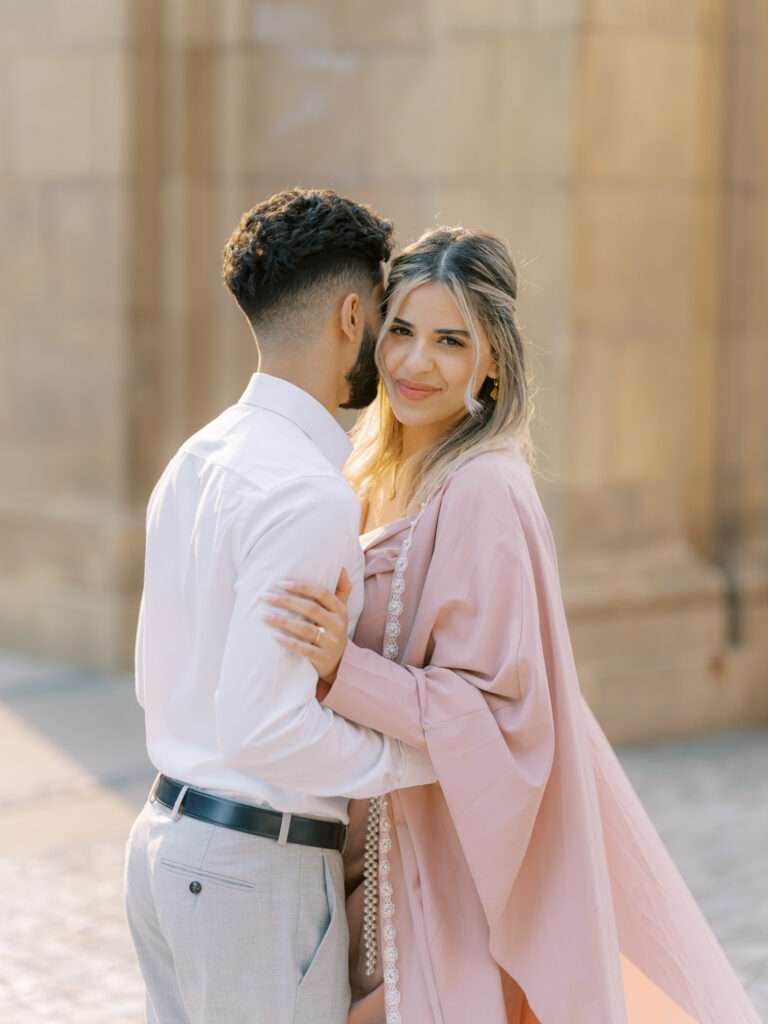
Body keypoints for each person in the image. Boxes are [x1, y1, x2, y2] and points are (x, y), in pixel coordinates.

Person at [263, 227, 761, 1023]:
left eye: (451, 341)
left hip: (451, 883)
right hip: (368, 856)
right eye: (402, 331)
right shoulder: (371, 475)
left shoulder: (485, 491)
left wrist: (342, 669)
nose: (415, 363)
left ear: (492, 360)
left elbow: (496, 715)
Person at [124, 188, 436, 1024]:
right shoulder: (307, 493)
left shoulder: (198, 457)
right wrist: (415, 761)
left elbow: (157, 678)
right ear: (349, 314)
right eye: (387, 317)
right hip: (250, 872)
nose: (394, 343)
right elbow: (263, 727)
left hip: (167, 841)